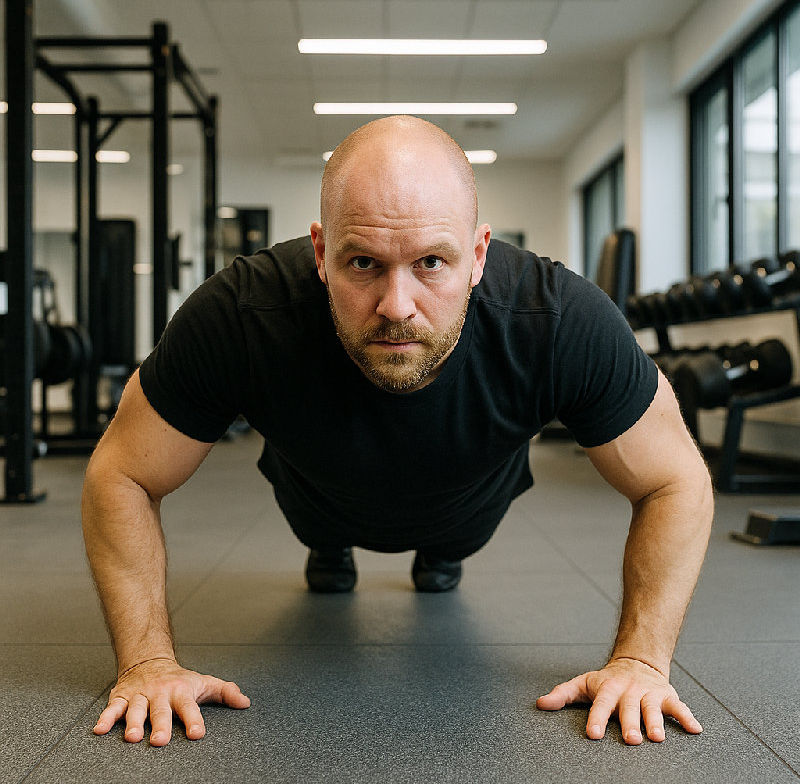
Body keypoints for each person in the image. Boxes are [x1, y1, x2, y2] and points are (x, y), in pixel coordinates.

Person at [83, 115, 713, 749]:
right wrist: (146, 664)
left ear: (479, 254)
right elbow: (124, 471)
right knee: (322, 534)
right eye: (363, 263)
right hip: (317, 494)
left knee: (448, 550)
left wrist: (641, 662)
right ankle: (331, 548)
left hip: (467, 502)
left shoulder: (556, 319)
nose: (396, 305)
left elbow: (674, 479)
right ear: (320, 252)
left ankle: (438, 554)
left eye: (432, 262)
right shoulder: (241, 313)